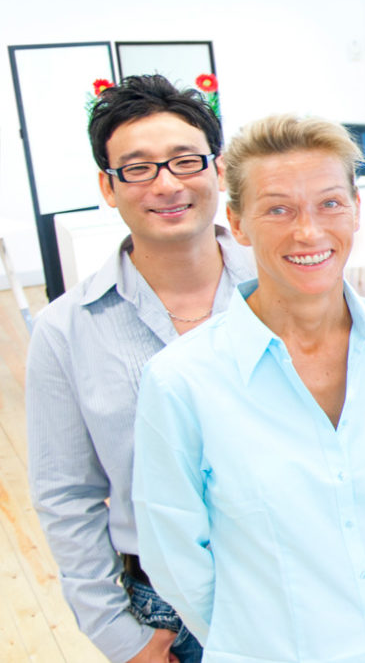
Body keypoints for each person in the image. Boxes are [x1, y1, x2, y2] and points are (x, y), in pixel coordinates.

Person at [132, 115, 365, 662]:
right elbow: (176, 556)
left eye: (330, 203)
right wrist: (257, 640)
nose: (308, 232)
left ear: (357, 208)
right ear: (236, 222)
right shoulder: (183, 380)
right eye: (278, 209)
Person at [27, 74, 252, 663]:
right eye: (139, 168)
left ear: (219, 169)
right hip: (166, 611)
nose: (167, 184)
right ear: (109, 185)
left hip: (301, 577)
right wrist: (117, 635)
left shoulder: (282, 287)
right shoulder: (66, 329)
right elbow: (66, 495)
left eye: (185, 161)